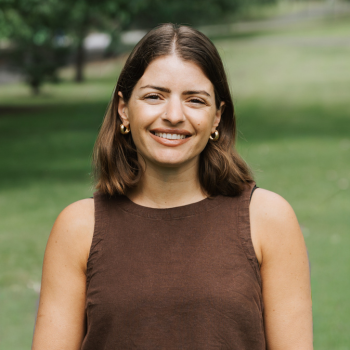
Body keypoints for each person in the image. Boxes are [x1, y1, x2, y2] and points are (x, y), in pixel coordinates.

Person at [32, 24, 313, 349]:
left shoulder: (268, 221)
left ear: (217, 117)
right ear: (124, 108)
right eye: (154, 96)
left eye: (195, 100)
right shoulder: (78, 228)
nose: (174, 115)